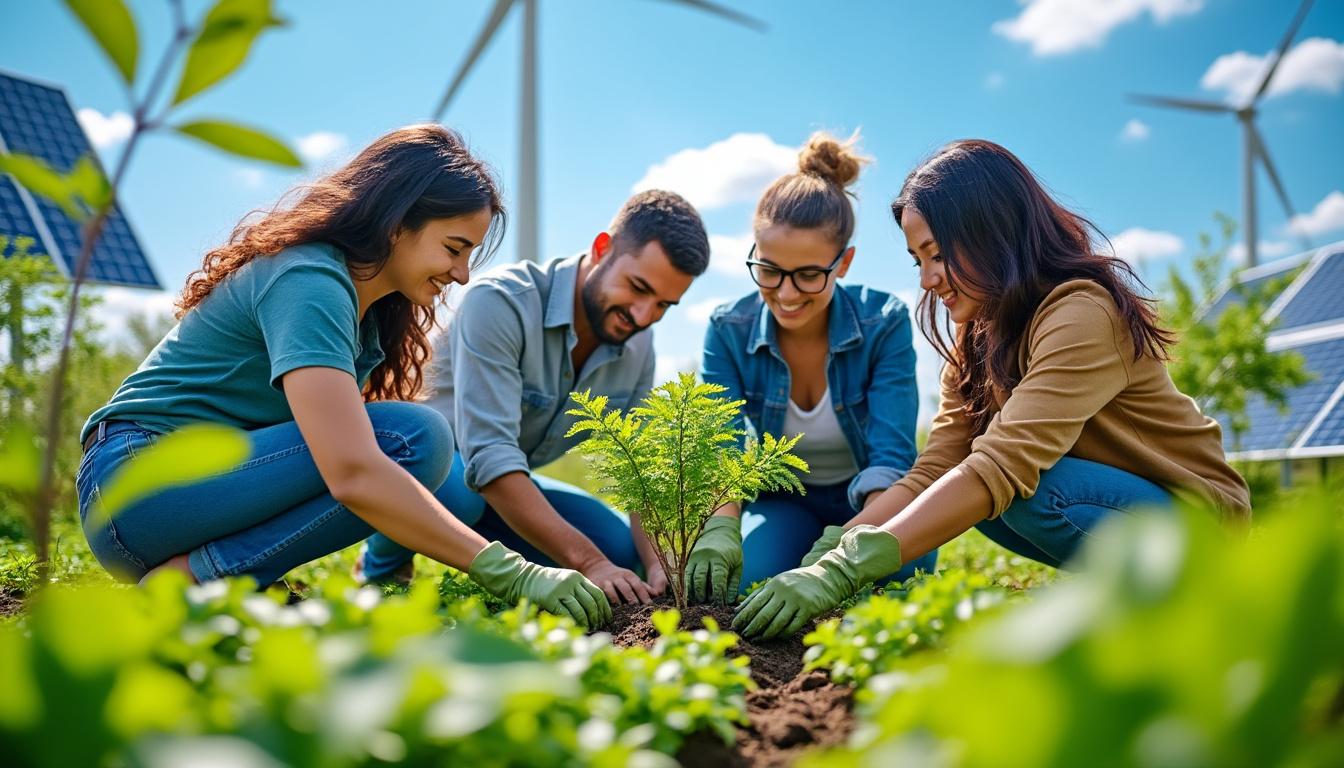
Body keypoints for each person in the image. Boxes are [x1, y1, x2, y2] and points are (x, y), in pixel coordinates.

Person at [76, 125, 610, 628]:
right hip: (135, 485)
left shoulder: (366, 315)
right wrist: (514, 571)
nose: (463, 274)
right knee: (412, 438)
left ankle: (199, 576)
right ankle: (197, 578)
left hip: (181, 499)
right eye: (454, 248)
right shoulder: (309, 279)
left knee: (424, 451)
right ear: (397, 223)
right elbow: (353, 471)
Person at [734, 139, 1252, 639]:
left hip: (1194, 525)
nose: (927, 280)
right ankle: (1131, 599)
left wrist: (842, 572)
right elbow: (937, 466)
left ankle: (1191, 594)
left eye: (936, 255)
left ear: (991, 233)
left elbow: (1005, 463)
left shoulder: (1083, 312)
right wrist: (840, 545)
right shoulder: (977, 333)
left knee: (1023, 492)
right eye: (918, 260)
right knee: (971, 498)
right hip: (1120, 512)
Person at [358, 190, 711, 605]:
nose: (643, 316)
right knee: (464, 493)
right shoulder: (501, 302)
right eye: (637, 288)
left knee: (618, 550)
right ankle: (380, 568)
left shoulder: (638, 344)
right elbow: (489, 456)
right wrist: (588, 563)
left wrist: (661, 565)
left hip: (508, 481)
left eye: (664, 306)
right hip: (435, 468)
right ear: (602, 249)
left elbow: (639, 474)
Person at [689, 132, 935, 605]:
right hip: (786, 499)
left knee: (900, 580)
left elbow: (891, 457)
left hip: (869, 500)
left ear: (843, 263)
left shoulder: (883, 323)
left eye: (808, 275)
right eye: (769, 270)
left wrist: (841, 552)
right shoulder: (728, 329)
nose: (785, 293)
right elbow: (719, 444)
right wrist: (721, 525)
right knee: (747, 585)